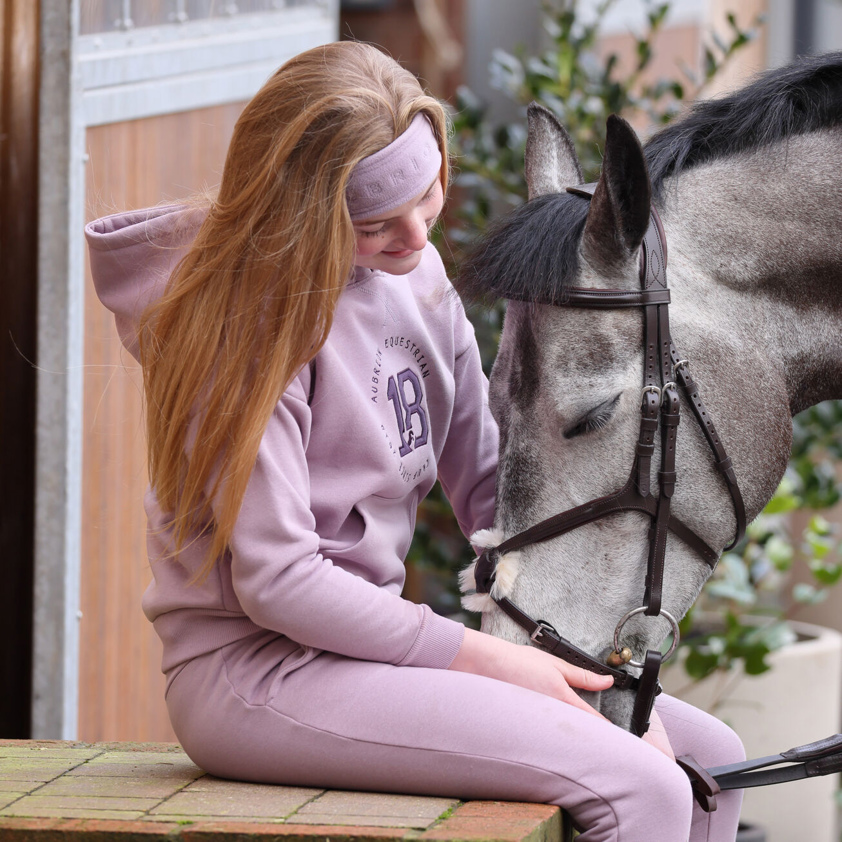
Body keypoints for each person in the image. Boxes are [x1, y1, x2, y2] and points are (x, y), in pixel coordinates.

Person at [85, 41, 745, 842]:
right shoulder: (243, 332)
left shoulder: (418, 276)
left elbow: (491, 485)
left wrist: (606, 657)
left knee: (708, 761)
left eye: (430, 193)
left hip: (368, 656)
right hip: (257, 674)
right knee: (643, 788)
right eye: (373, 225)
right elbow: (280, 583)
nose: (413, 236)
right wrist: (499, 662)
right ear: (305, 219)